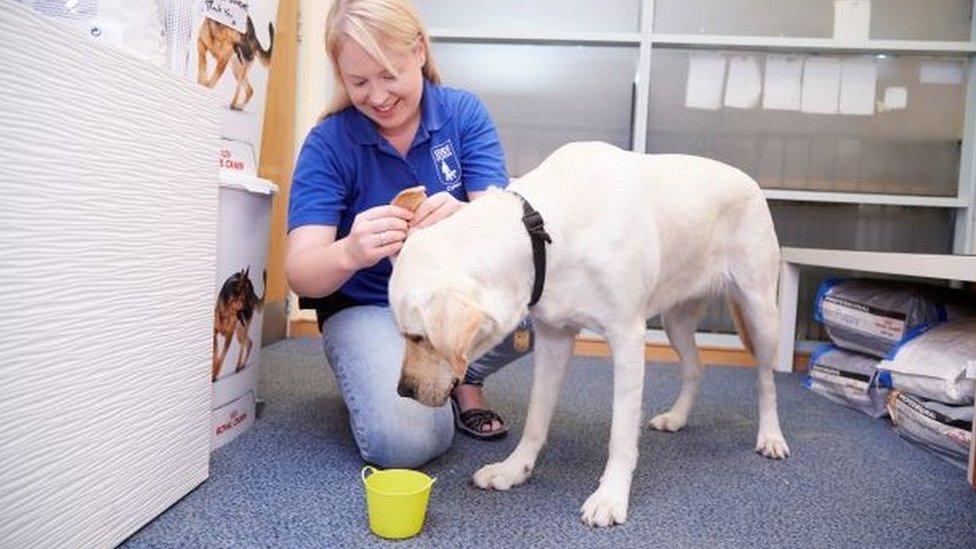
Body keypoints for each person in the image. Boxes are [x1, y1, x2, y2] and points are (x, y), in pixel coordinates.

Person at [285, 0, 532, 469]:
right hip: (368, 308)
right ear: (341, 75)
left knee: (537, 310)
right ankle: (383, 369)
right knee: (406, 442)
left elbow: (508, 233)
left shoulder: (462, 114)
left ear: (419, 50)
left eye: (389, 74)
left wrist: (463, 215)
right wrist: (350, 251)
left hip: (445, 301)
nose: (377, 96)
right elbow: (301, 273)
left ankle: (459, 377)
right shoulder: (329, 142)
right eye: (357, 82)